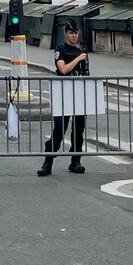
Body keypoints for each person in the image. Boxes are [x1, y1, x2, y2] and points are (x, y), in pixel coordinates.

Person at [37, 19, 88, 177]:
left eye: (76, 33)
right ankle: (48, 162)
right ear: (66, 34)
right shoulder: (60, 50)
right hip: (63, 95)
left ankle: (76, 161)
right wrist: (78, 59)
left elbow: (86, 75)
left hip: (78, 95)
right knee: (59, 129)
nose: (74, 36)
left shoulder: (81, 52)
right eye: (71, 33)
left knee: (78, 130)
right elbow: (63, 69)